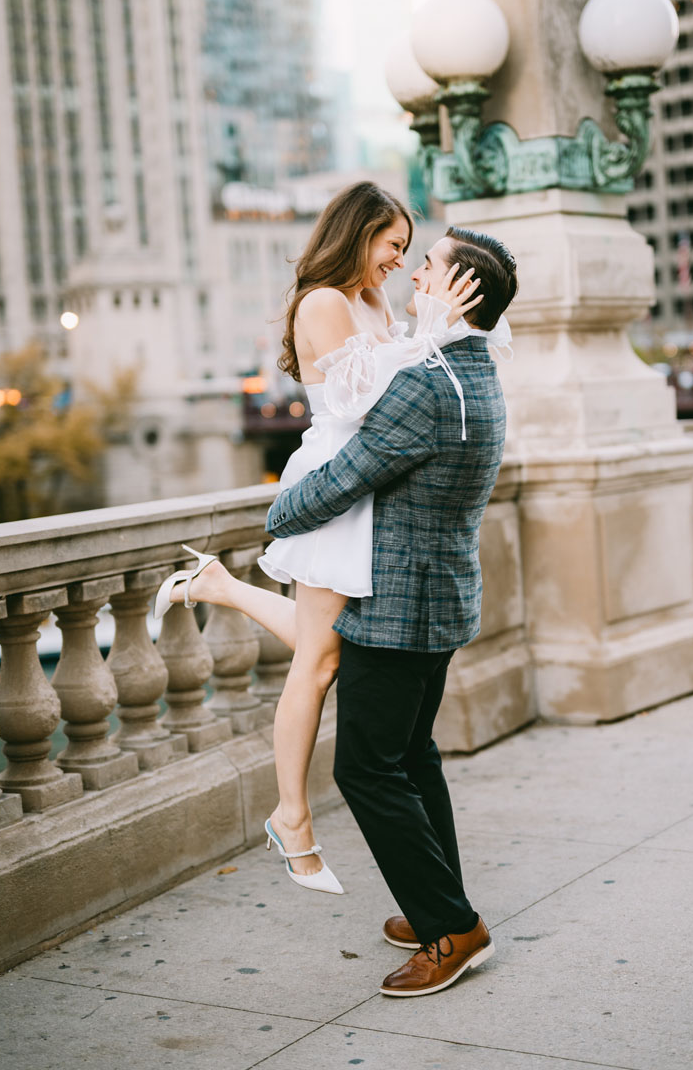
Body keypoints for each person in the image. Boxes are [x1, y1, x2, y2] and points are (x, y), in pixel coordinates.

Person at [154, 181, 486, 895]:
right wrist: (429, 332)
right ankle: (292, 817)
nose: (399, 260)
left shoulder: (373, 299)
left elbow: (406, 388)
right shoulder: (324, 302)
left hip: (370, 488)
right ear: (359, 234)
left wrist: (428, 331)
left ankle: (220, 587)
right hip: (336, 478)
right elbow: (365, 401)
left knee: (324, 647)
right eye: (393, 245)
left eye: (404, 249)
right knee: (320, 663)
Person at [265, 224, 518, 997]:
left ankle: (452, 931)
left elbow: (344, 477)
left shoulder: (427, 383)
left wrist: (280, 512)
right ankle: (435, 903)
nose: (415, 274)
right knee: (412, 757)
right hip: (440, 595)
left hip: (397, 607)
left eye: (431, 265)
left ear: (462, 290)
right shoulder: (475, 369)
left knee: (366, 768)